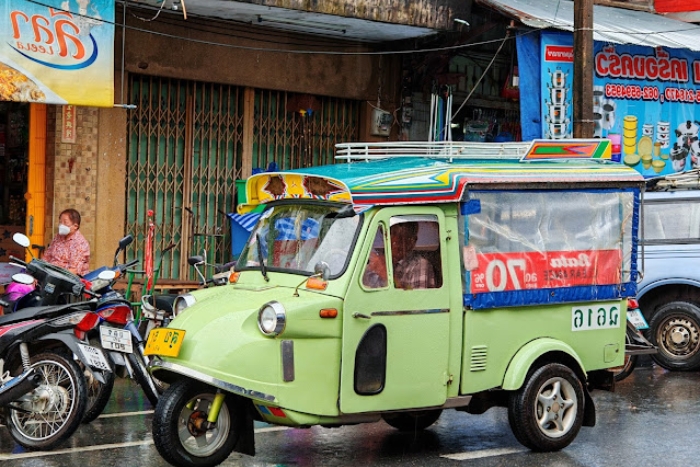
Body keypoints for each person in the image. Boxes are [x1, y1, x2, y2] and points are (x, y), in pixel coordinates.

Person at [43, 208, 91, 276]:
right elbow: (47, 256)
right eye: (60, 222)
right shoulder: (58, 237)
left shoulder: (80, 243)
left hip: (66, 279)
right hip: (50, 274)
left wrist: (53, 276)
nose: (61, 225)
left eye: (65, 222)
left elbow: (73, 271)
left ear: (75, 226)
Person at [390, 222, 436, 289]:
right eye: (393, 234)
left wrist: (384, 274)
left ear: (413, 241)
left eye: (403, 236)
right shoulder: (380, 261)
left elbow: (418, 298)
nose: (396, 240)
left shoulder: (419, 264)